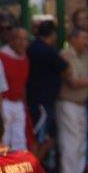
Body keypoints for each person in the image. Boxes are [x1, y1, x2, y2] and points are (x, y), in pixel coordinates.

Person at [57, 27, 88, 173]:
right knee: (70, 140)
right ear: (73, 39)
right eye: (83, 38)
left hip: (81, 103)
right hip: (68, 102)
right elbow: (73, 83)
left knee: (81, 140)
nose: (86, 42)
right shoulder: (66, 55)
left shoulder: (85, 55)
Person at [26, 20, 68, 163]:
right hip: (42, 103)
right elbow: (66, 70)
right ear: (53, 34)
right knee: (39, 139)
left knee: (46, 137)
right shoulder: (47, 50)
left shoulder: (31, 48)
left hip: (37, 100)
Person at [0, 26, 31, 152]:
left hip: (18, 104)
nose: (22, 42)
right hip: (5, 103)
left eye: (24, 39)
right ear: (11, 41)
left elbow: (23, 85)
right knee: (4, 139)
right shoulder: (1, 57)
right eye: (18, 39)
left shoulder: (25, 58)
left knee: (20, 140)